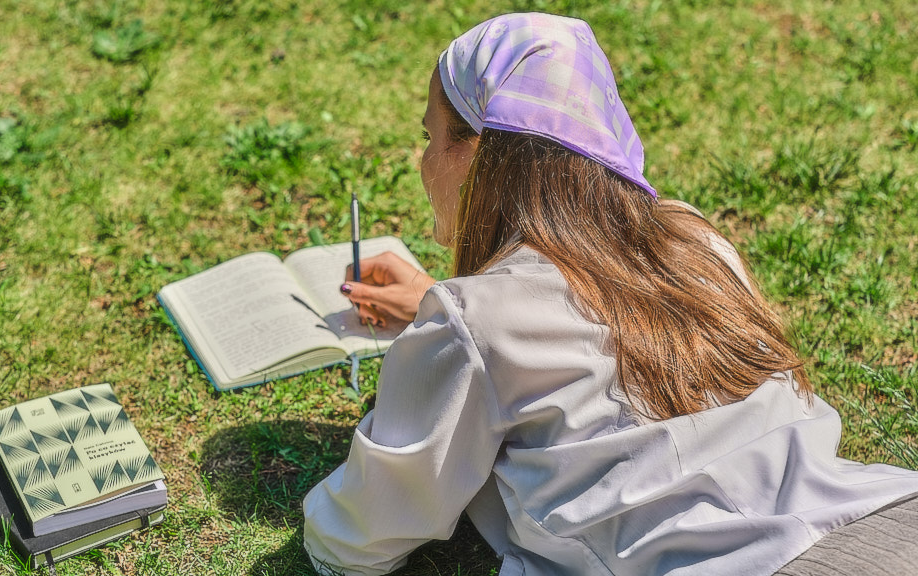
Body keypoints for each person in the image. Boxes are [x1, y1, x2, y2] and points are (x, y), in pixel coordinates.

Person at [302, 12, 918, 576]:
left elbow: (357, 541)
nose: (423, 160)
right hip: (886, 514)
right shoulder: (699, 244)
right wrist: (451, 315)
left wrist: (445, 341)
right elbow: (591, 331)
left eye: (433, 137)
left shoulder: (478, 324)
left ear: (478, 154)